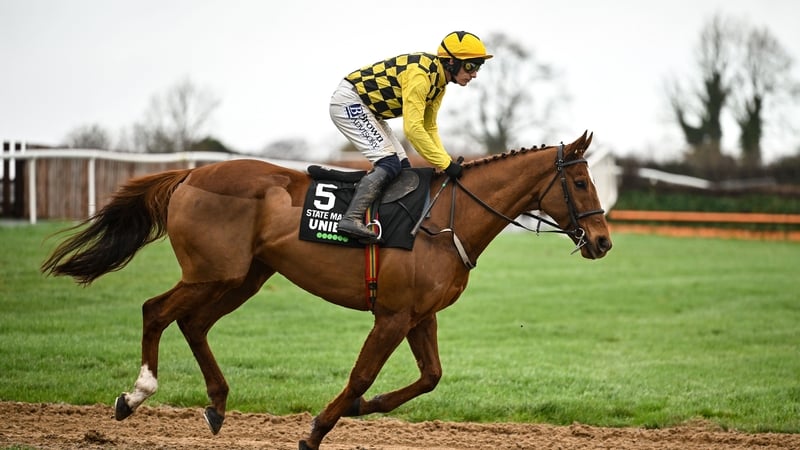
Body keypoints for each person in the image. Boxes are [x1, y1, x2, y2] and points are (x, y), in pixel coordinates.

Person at [330, 30, 493, 243]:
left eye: (479, 66)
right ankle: (351, 218)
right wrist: (445, 164)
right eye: (471, 65)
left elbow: (430, 127)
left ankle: (386, 221)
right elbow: (413, 129)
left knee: (403, 168)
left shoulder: (439, 83)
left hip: (369, 110)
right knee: (389, 163)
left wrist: (447, 162)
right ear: (451, 62)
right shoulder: (421, 76)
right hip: (349, 102)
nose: (474, 74)